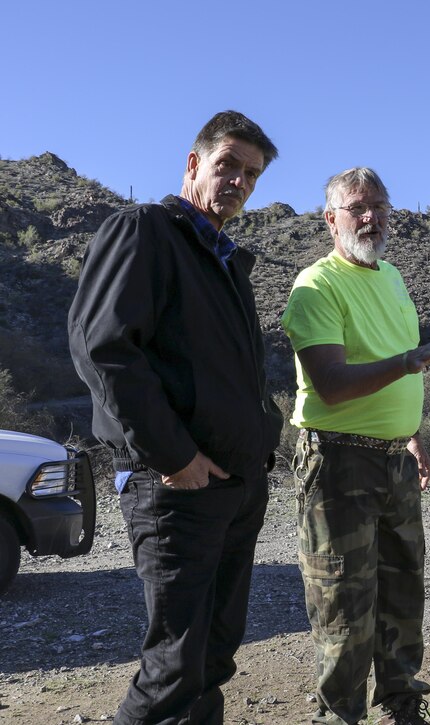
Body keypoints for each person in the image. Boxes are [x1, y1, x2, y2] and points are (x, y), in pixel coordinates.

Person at [68, 110, 283, 724]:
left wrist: (260, 446)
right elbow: (102, 348)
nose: (238, 181)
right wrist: (176, 456)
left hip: (235, 488)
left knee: (212, 658)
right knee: (173, 670)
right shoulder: (145, 231)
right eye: (227, 165)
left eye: (251, 173)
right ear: (194, 163)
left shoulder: (224, 260)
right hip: (176, 489)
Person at [281, 167, 430, 725]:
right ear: (330, 219)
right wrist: (410, 362)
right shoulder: (316, 285)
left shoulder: (393, 279)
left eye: (380, 206)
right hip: (337, 461)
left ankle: (403, 705)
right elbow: (333, 387)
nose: (371, 217)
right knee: (343, 604)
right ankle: (342, 715)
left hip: (393, 460)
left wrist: (410, 437)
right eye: (358, 207)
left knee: (404, 589)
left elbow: (390, 366)